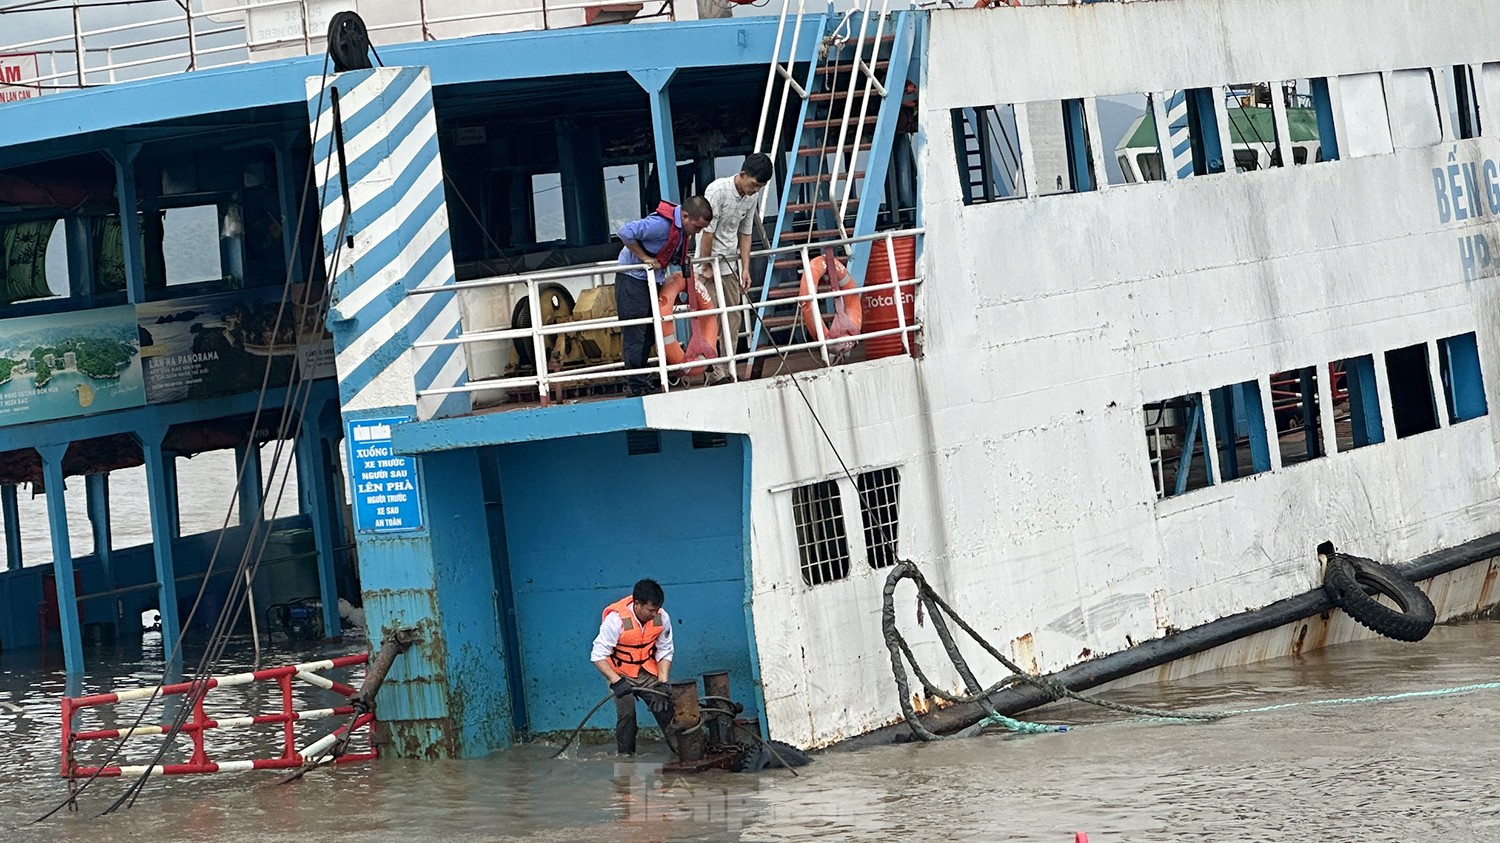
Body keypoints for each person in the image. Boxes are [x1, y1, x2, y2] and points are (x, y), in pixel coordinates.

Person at [616, 197, 713, 396]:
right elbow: (625, 232)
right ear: (685, 217)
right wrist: (645, 258)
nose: (697, 232)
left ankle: (642, 381)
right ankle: (636, 385)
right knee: (635, 332)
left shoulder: (680, 229)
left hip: (652, 280)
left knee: (651, 332)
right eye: (696, 227)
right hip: (632, 279)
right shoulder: (659, 225)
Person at [695, 153, 772, 385]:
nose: (755, 190)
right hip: (709, 261)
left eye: (760, 187)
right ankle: (713, 372)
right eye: (754, 185)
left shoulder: (751, 199)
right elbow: (707, 232)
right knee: (711, 318)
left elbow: (746, 233)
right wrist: (706, 264)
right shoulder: (717, 191)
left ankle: (728, 366)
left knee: (733, 316)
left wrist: (745, 268)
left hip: (730, 262)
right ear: (742, 175)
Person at [591, 578, 677, 756]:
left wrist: (663, 681)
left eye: (657, 609)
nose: (655, 614)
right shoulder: (616, 620)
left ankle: (681, 752)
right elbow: (597, 655)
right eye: (651, 610)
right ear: (637, 604)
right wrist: (616, 682)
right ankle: (626, 759)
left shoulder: (662, 617)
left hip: (646, 671)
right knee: (627, 715)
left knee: (665, 708)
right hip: (619, 673)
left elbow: (665, 650)